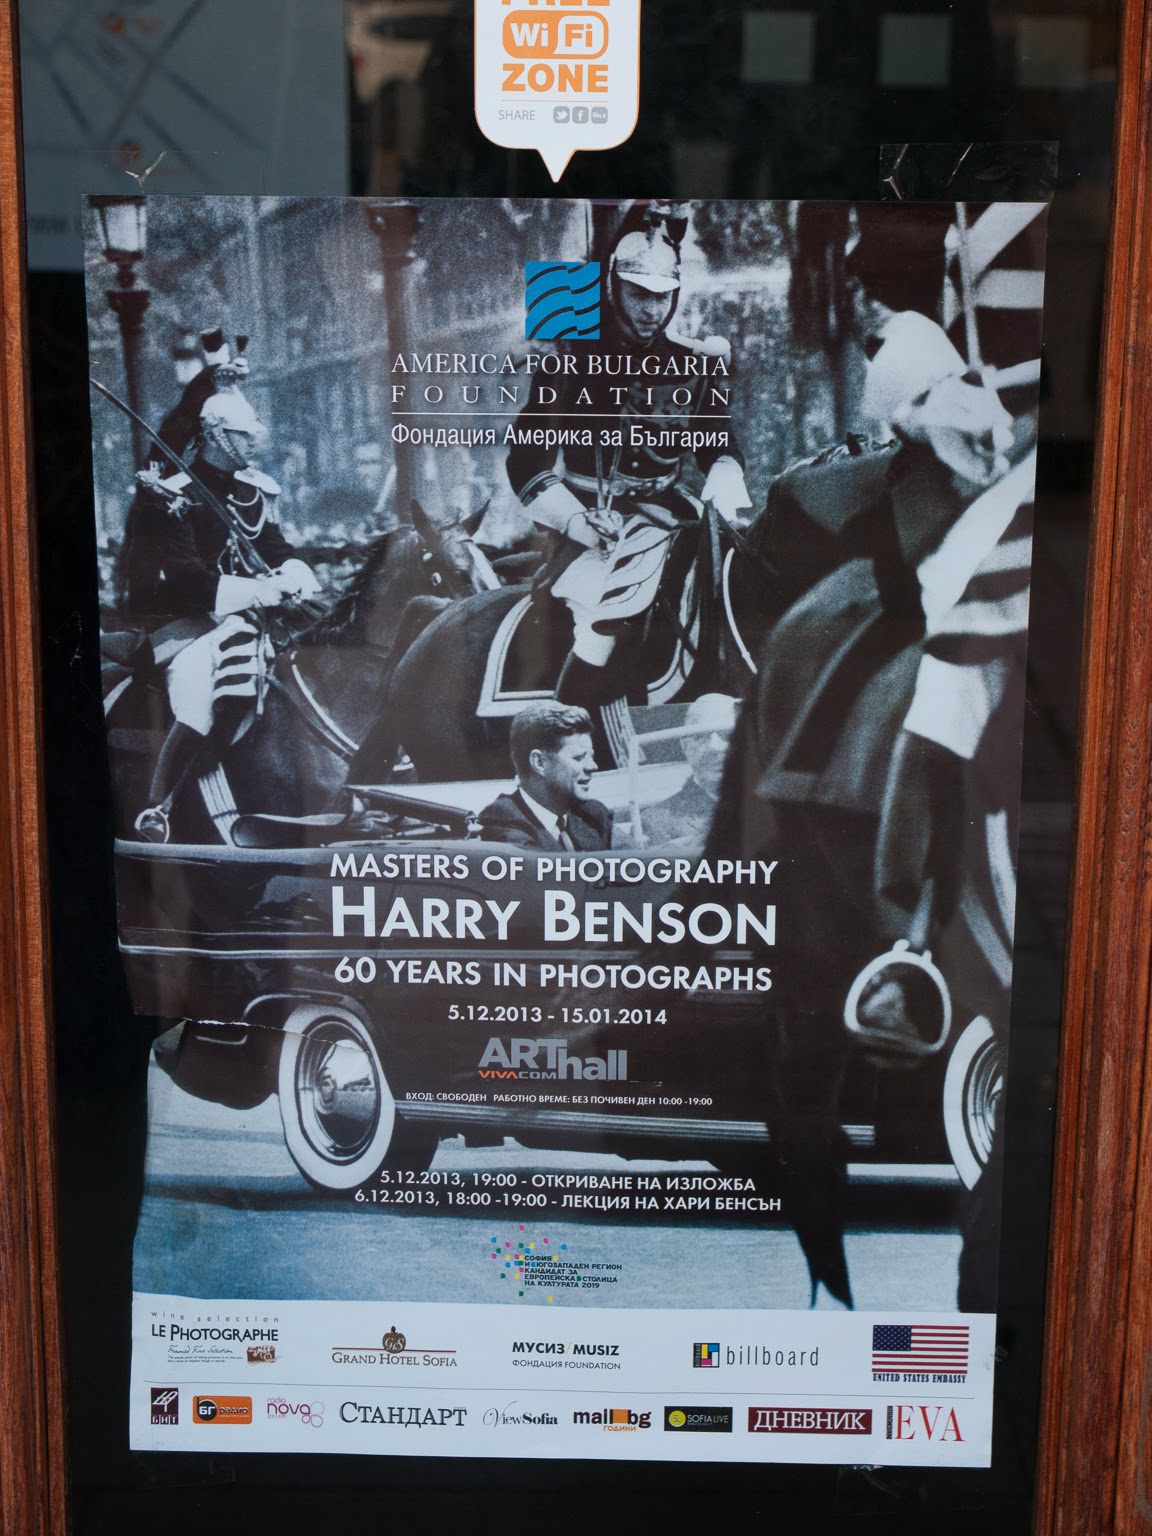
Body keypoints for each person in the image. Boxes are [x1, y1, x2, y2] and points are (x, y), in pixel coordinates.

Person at [505, 215, 752, 730]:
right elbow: (526, 461)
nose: (651, 310)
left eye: (663, 297)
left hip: (674, 513)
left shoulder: (694, 361)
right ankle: (571, 734)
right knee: (602, 622)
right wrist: (577, 522)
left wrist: (726, 478)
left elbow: (717, 445)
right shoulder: (569, 354)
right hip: (593, 524)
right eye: (639, 294)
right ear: (613, 288)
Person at [115, 336, 321, 840]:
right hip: (187, 627)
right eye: (243, 436)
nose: (254, 443)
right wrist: (257, 591)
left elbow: (274, 545)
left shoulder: (252, 489)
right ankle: (160, 807)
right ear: (217, 435)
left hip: (248, 619)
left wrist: (295, 571)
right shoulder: (172, 497)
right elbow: (188, 581)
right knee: (198, 706)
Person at [479, 702, 612, 851]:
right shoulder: (502, 823)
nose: (593, 766)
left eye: (591, 757)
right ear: (540, 763)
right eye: (578, 758)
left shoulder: (593, 815)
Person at [640, 693, 738, 849]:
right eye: (700, 737)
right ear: (685, 746)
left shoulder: (770, 806)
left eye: (726, 735)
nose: (714, 747)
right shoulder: (656, 821)